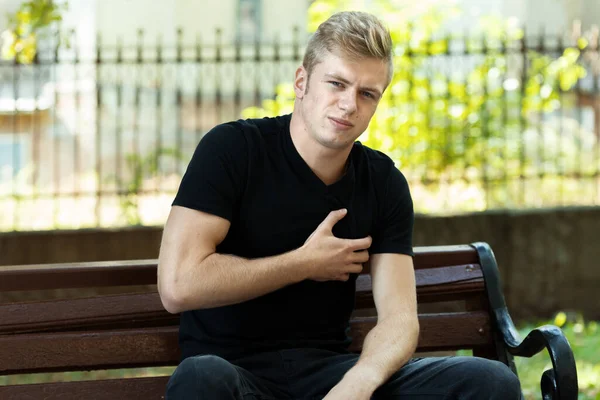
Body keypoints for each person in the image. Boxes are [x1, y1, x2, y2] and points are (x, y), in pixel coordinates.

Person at [157, 10, 522, 400]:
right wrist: (303, 263)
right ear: (302, 81)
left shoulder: (382, 183)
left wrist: (356, 385)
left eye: (367, 93)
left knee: (489, 381)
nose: (349, 104)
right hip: (233, 375)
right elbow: (178, 286)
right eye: (337, 84)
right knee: (201, 378)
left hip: (329, 373)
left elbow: (399, 321)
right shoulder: (233, 150)